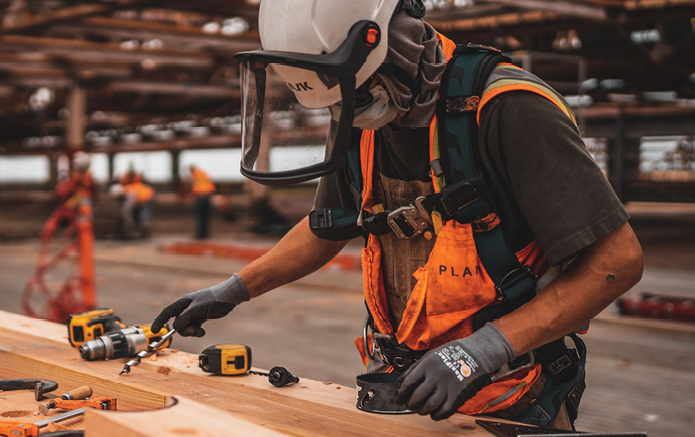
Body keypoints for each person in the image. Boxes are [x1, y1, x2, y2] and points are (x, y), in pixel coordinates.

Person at [152, 0, 641, 430]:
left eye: (360, 96)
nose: (353, 112)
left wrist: (484, 350)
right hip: (404, 391)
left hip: (510, 396)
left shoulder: (507, 109)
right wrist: (232, 290)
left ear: (394, 44)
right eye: (342, 103)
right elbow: (328, 228)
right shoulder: (359, 112)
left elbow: (616, 262)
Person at [119, 174, 154, 239]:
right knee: (142, 217)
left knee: (130, 214)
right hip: (145, 200)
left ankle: (132, 231)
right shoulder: (145, 187)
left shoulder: (129, 187)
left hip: (142, 200)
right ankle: (142, 229)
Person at [188, 165, 216, 239]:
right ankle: (205, 234)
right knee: (205, 216)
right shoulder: (203, 173)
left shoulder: (195, 175)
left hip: (201, 195)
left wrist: (195, 195)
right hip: (208, 194)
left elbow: (196, 185)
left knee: (200, 216)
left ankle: (200, 234)